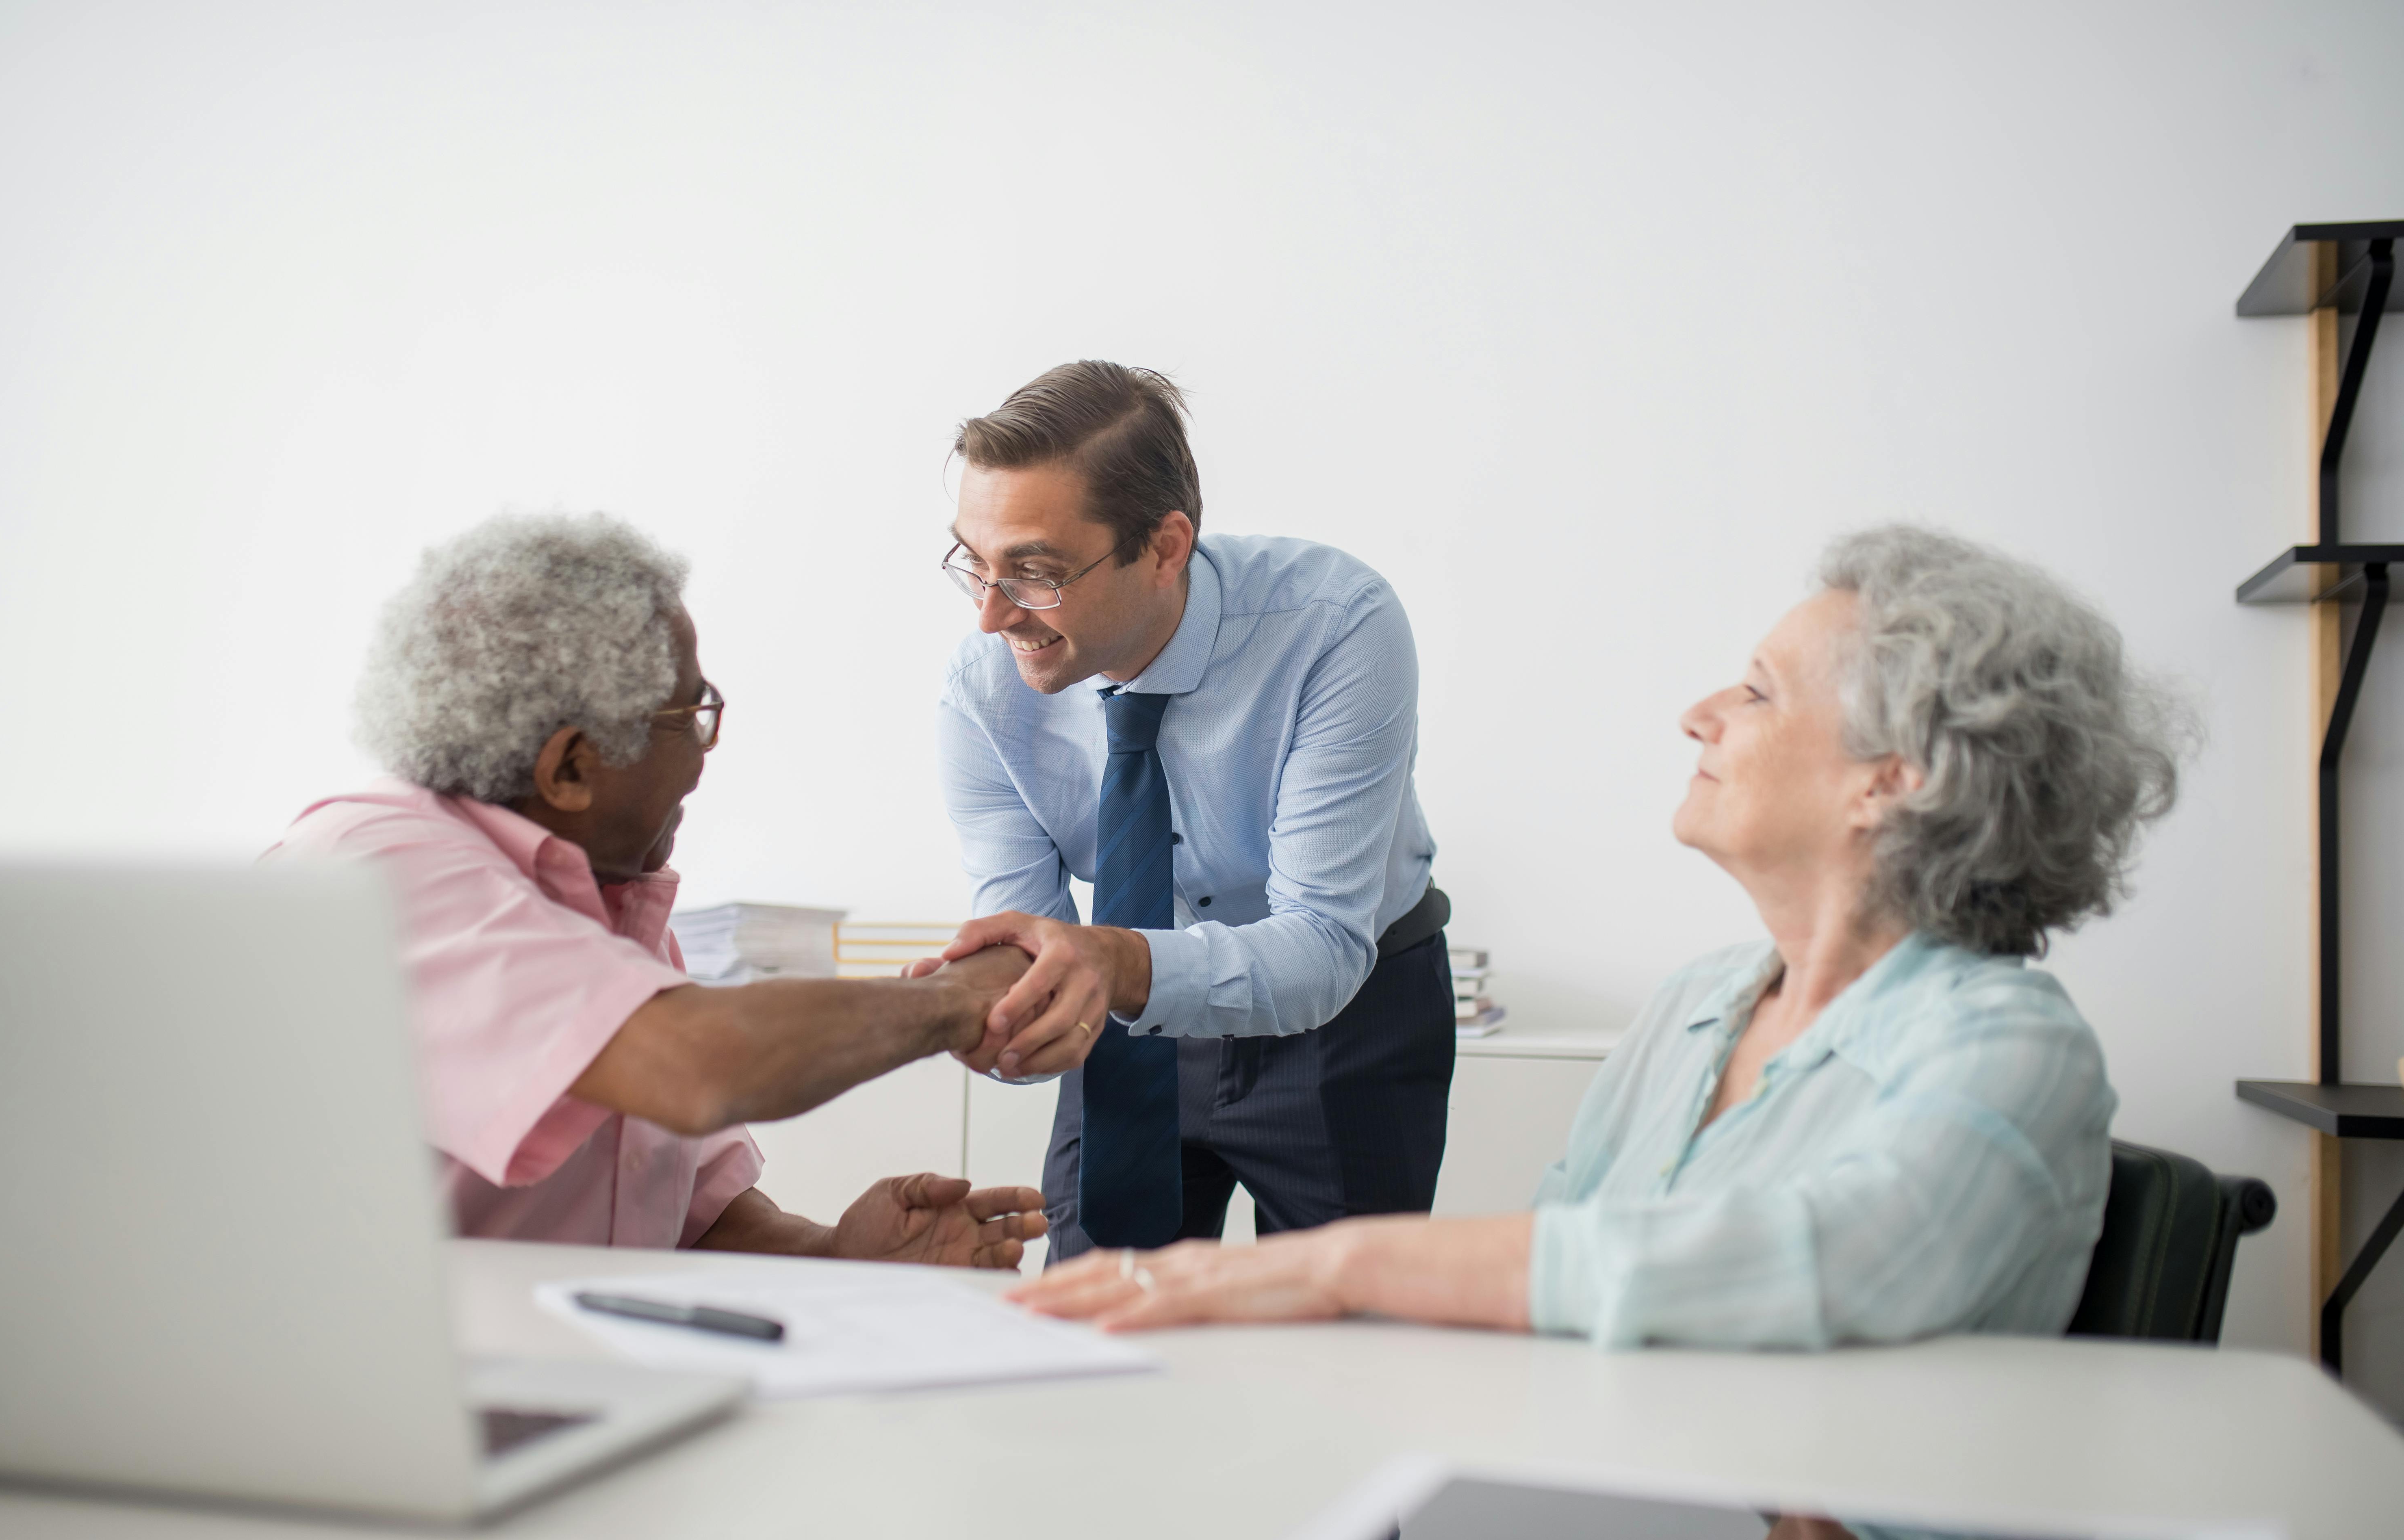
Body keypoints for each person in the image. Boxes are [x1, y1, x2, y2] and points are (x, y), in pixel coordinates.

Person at [1011, 526, 2185, 1343]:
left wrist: (1323, 1266)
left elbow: (1815, 1263)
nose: (1702, 713)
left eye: (1761, 692)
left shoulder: (2010, 1045)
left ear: (1892, 779)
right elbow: (1566, 1273)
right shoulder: (1702, 1005)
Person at [267, 513, 1048, 1265]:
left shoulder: (600, 901)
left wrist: (836, 1252)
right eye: (691, 714)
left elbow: (681, 1215)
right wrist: (958, 998)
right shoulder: (374, 875)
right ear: (571, 767)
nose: (706, 753)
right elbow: (698, 1068)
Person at [925, 360, 1453, 1261]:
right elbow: (1035, 947)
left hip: (1348, 1015)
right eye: (973, 564)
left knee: (1344, 1339)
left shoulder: (1336, 625)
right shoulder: (983, 693)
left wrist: (1103, 965)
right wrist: (991, 1012)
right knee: (1094, 1314)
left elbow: (1322, 944)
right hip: (1126, 1020)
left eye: (1034, 572)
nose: (989, 616)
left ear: (1165, 547)